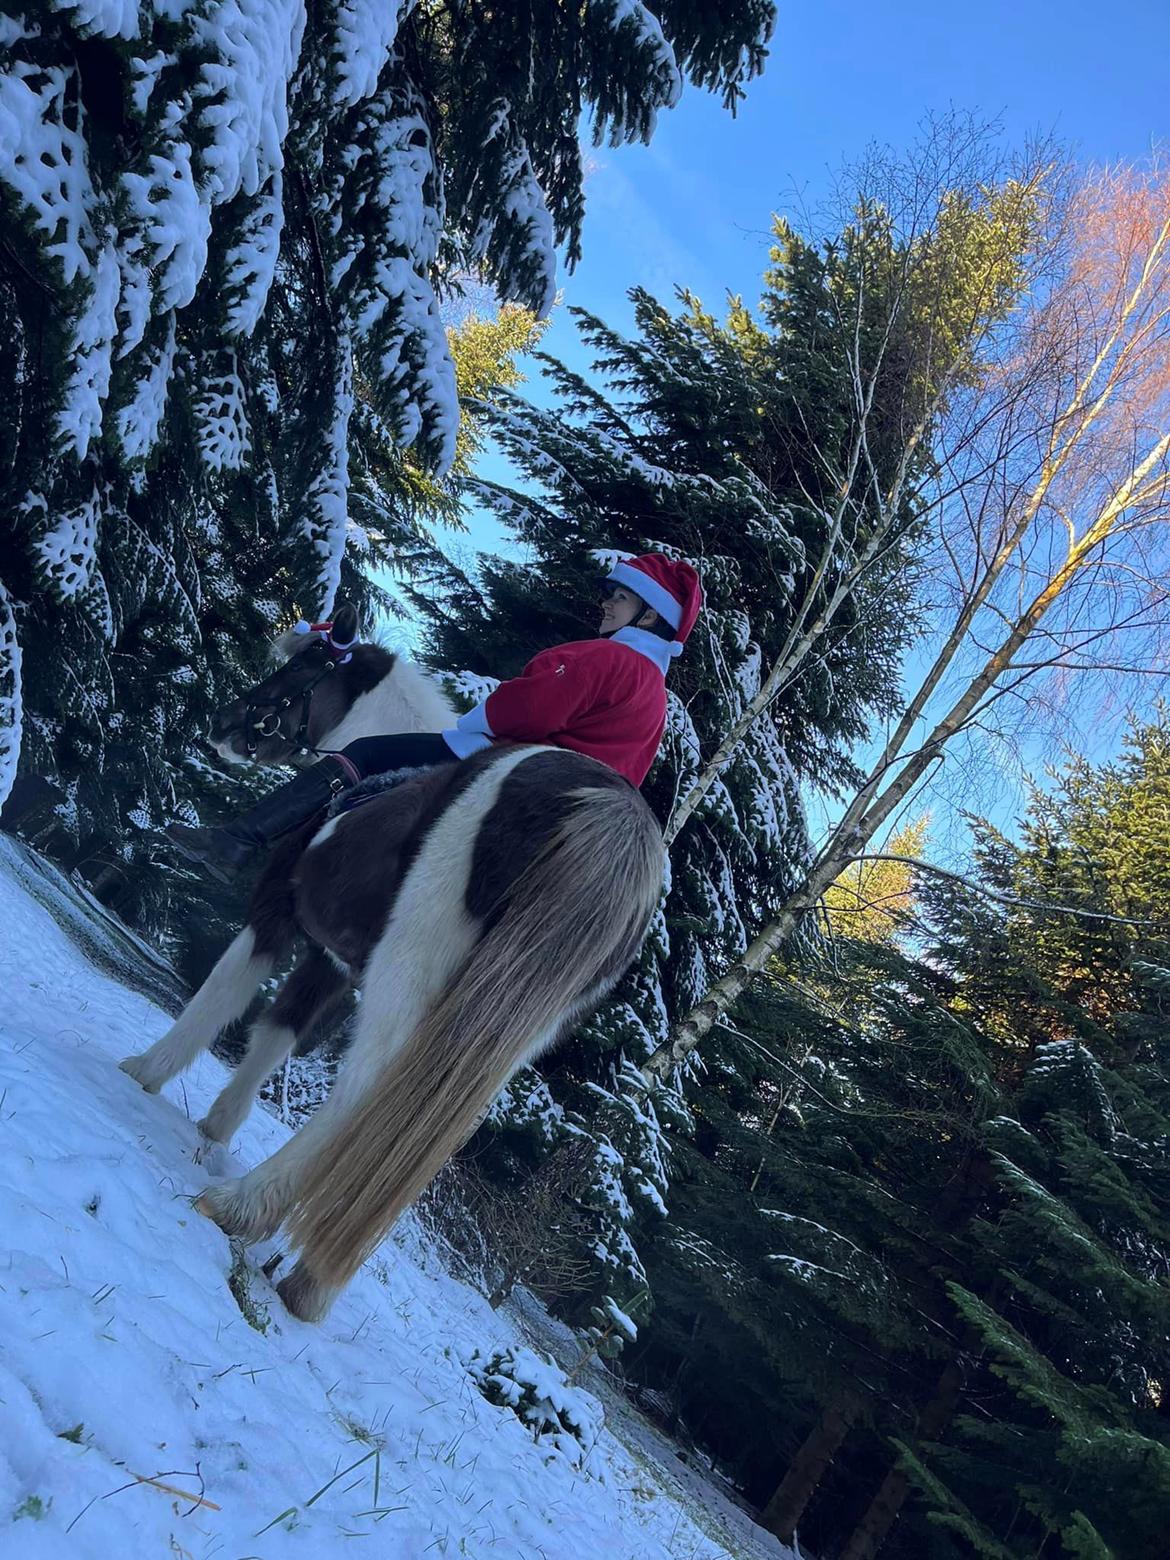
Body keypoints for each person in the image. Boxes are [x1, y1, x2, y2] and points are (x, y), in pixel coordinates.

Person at [167, 553, 702, 880]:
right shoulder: (654, 694)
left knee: (367, 754)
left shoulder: (608, 658)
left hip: (513, 771)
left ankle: (237, 842)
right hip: (566, 814)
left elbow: (528, 710)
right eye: (608, 593)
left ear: (650, 613)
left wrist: (494, 710)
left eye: (620, 596)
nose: (605, 603)